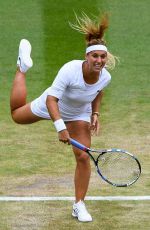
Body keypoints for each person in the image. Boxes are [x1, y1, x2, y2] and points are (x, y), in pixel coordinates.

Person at [10, 13, 117, 222]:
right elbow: (51, 100)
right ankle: (22, 68)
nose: (99, 60)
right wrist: (60, 127)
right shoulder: (70, 69)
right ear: (86, 56)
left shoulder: (106, 76)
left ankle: (79, 205)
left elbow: (99, 91)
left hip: (78, 114)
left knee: (83, 156)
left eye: (103, 57)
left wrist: (95, 113)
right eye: (95, 56)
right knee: (16, 115)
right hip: (51, 104)